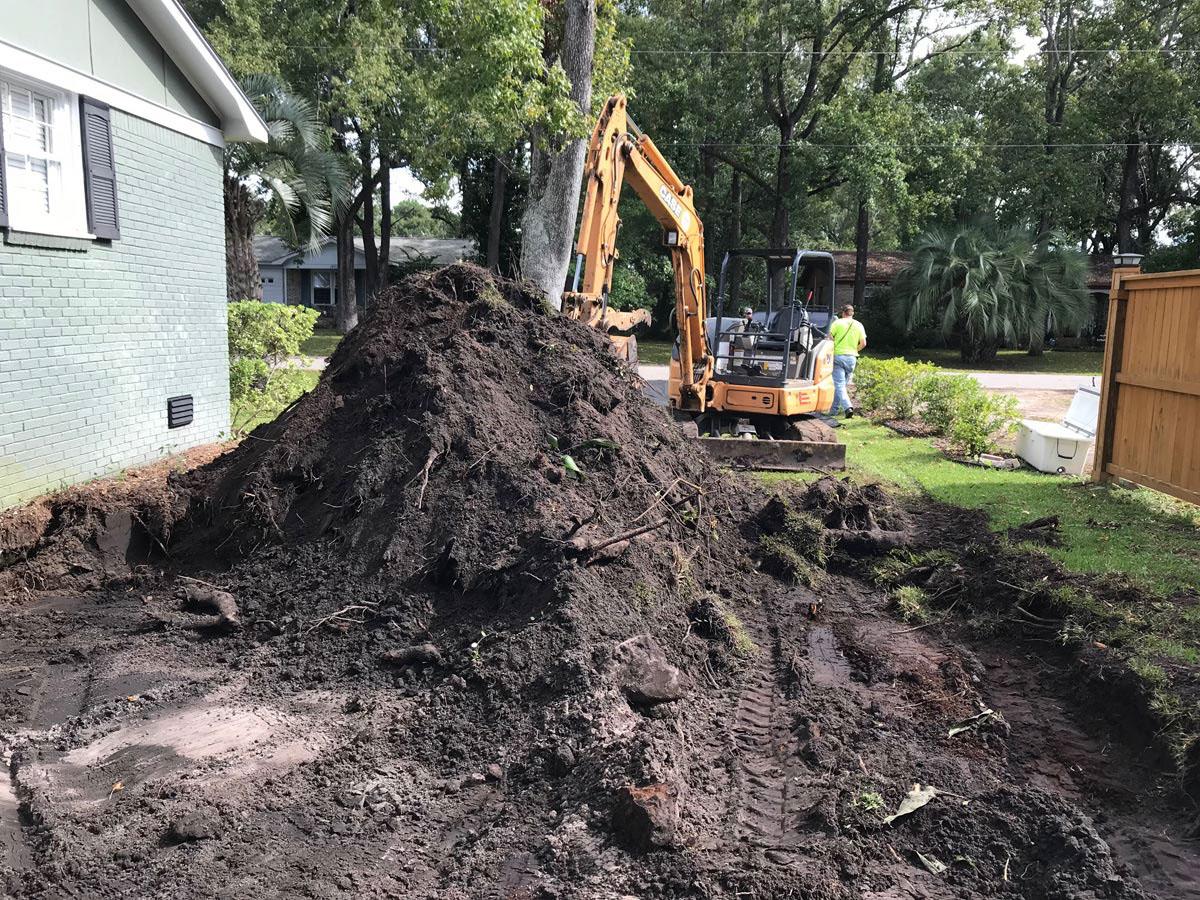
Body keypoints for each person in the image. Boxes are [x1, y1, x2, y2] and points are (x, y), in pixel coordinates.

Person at [828, 303, 866, 417]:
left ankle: (848, 407)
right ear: (852, 313)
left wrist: (834, 346)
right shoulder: (859, 325)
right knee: (841, 387)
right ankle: (833, 411)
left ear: (843, 313)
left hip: (838, 356)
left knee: (839, 386)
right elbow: (863, 343)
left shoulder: (837, 322)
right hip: (852, 358)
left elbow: (829, 337)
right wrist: (855, 350)